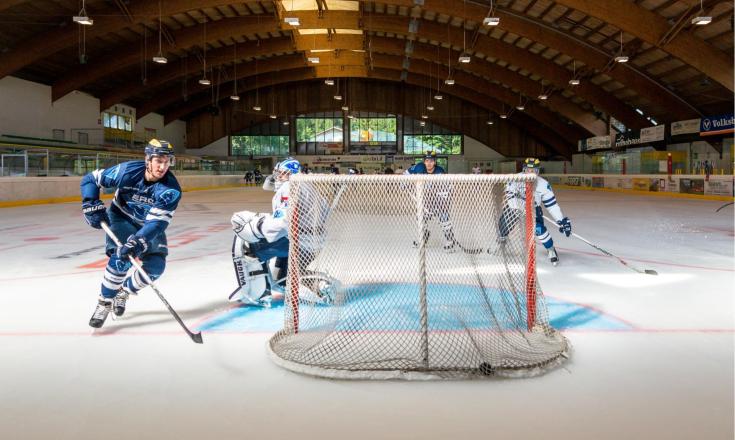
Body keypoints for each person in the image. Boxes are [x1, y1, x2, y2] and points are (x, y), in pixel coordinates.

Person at [80, 139, 182, 328]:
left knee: (156, 267)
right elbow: (91, 179)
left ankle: (124, 291)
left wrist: (139, 241)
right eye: (158, 160)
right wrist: (89, 202)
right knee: (121, 258)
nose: (162, 166)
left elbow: (157, 223)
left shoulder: (171, 190)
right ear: (148, 159)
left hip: (148, 225)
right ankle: (104, 302)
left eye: (167, 161)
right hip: (122, 218)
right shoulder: (126, 171)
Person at [229, 158, 331, 306]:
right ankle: (318, 286)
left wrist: (257, 228)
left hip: (299, 242)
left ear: (291, 173)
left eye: (282, 173)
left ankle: (259, 293)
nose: (278, 177)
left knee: (250, 248)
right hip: (315, 243)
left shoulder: (289, 187)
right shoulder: (309, 186)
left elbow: (282, 222)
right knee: (283, 278)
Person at [499, 157, 571, 265]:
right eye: (528, 170)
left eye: (533, 170)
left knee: (539, 229)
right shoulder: (514, 179)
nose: (530, 173)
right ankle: (501, 242)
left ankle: (551, 249)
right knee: (504, 223)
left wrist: (560, 220)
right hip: (515, 206)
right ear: (524, 170)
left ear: (538, 171)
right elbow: (509, 196)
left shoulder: (543, 185)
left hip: (533, 208)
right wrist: (518, 206)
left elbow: (552, 205)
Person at [404, 151, 456, 253]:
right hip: (425, 200)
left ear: (435, 162)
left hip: (439, 201)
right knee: (421, 219)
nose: (429, 163)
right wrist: (405, 183)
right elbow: (405, 174)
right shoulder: (419, 167)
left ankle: (450, 241)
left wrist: (440, 205)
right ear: (424, 161)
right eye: (427, 161)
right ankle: (424, 238)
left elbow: (446, 190)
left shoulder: (439, 172)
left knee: (444, 220)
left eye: (431, 161)